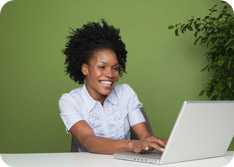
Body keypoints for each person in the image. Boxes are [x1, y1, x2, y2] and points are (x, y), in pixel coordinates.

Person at [59, 19, 166, 154]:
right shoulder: (70, 101)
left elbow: (145, 137)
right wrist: (132, 145)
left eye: (115, 68)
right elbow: (89, 141)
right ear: (85, 69)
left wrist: (163, 143)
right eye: (102, 67)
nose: (110, 74)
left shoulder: (126, 93)